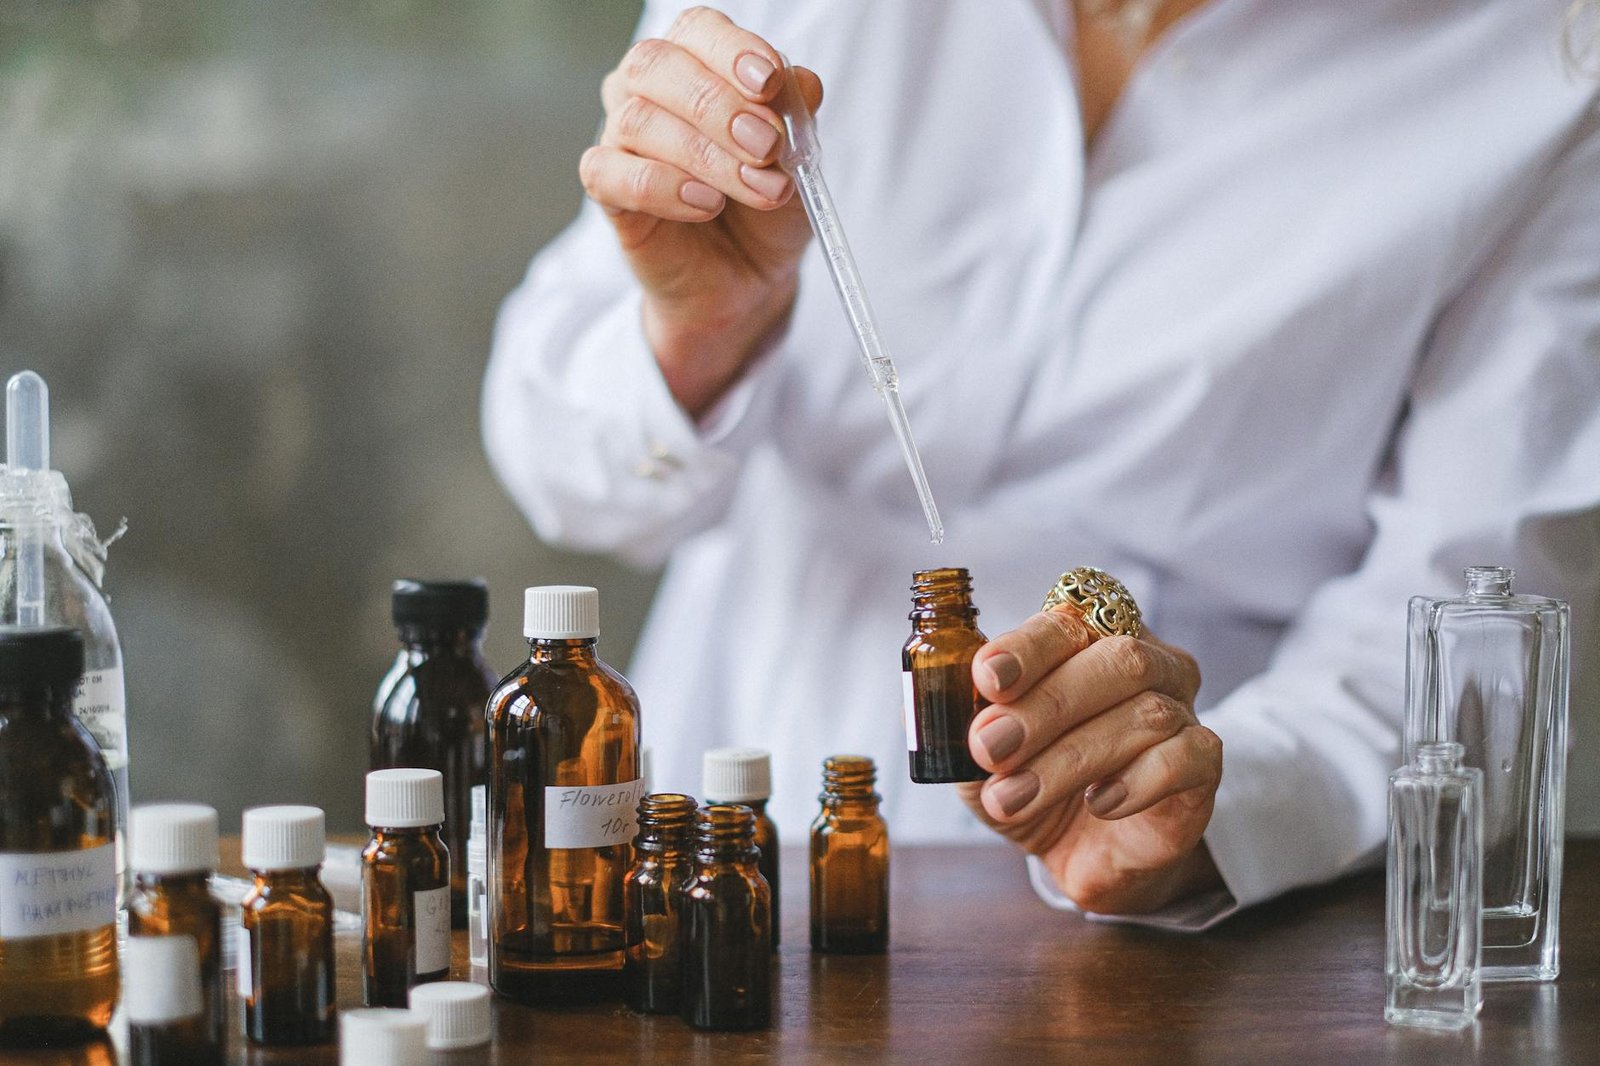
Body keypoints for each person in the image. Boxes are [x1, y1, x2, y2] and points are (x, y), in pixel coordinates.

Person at [483, 0, 1600, 926]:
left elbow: (1475, 627)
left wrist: (1215, 799)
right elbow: (557, 464)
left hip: (1156, 912)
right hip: (740, 792)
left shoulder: (1543, 61)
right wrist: (700, 333)